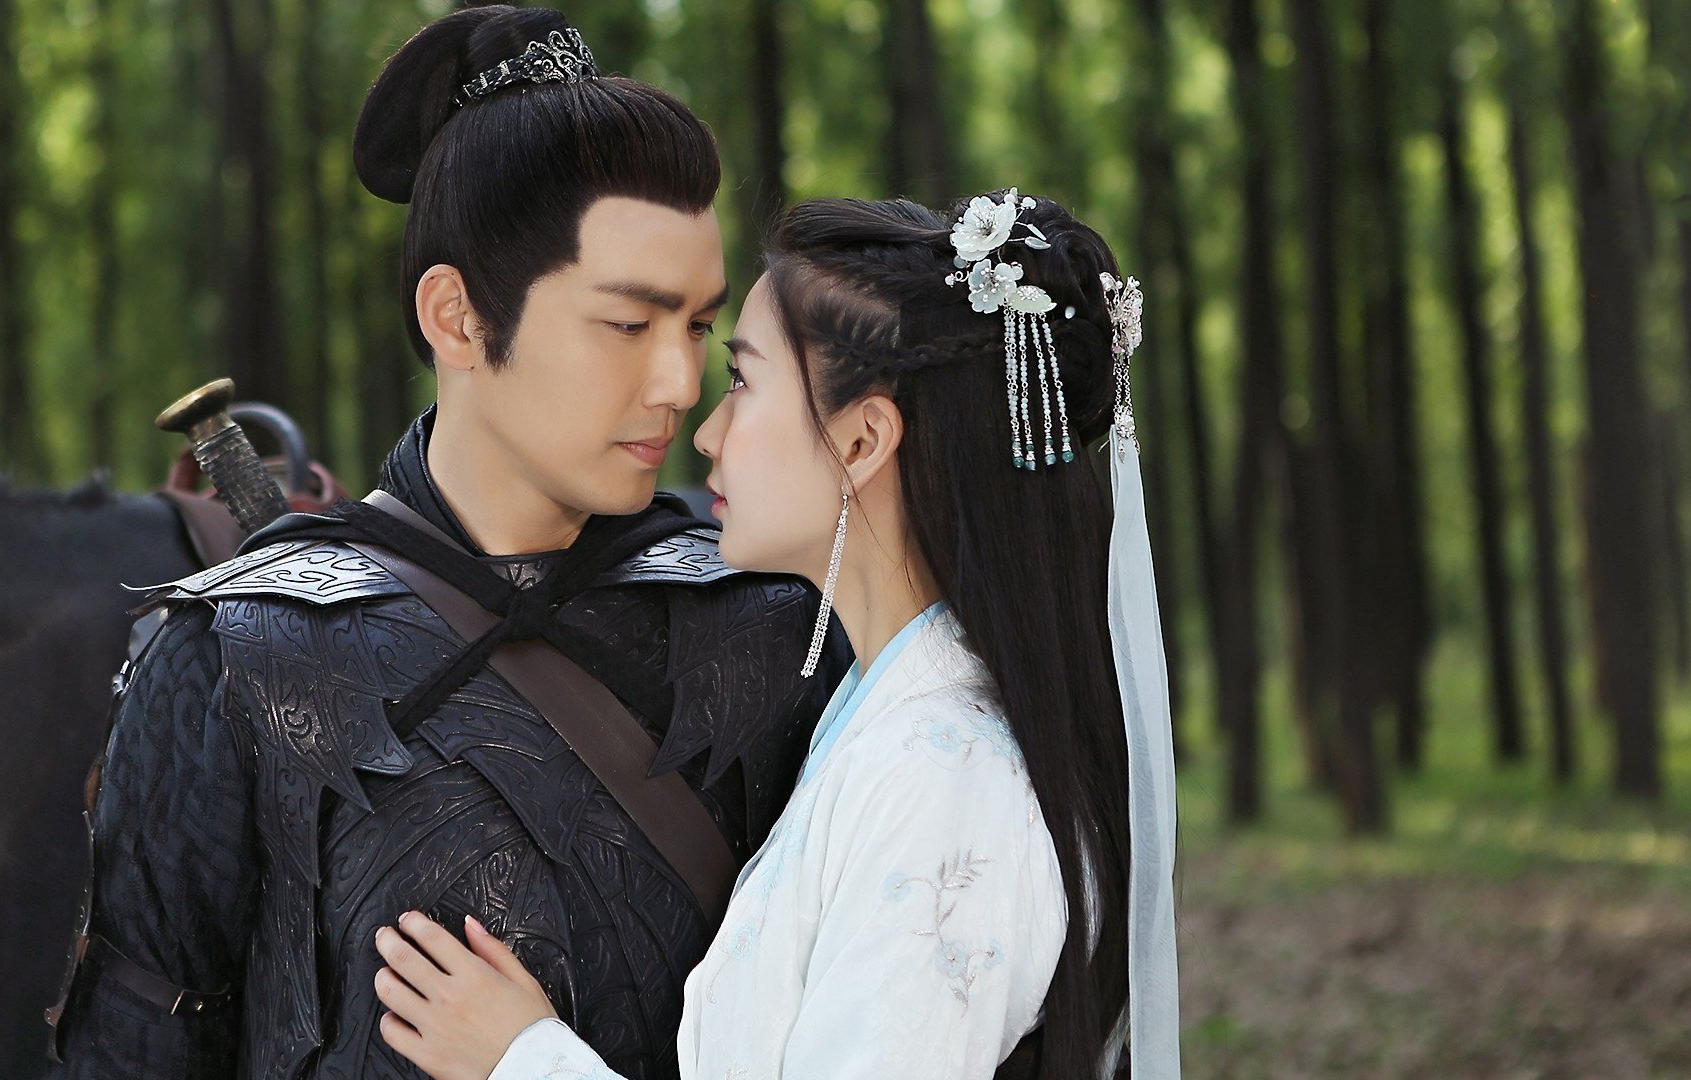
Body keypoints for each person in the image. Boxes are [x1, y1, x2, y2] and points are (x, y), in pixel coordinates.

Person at [42, 8, 841, 1079]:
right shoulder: (229, 658)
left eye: (697, 326)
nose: (678, 382)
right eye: (628, 323)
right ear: (457, 317)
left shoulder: (776, 623)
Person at [370, 192, 1183, 1079]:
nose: (707, 433)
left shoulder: (942, 781)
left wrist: (521, 1060)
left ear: (863, 441)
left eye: (743, 381)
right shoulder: (894, 716)